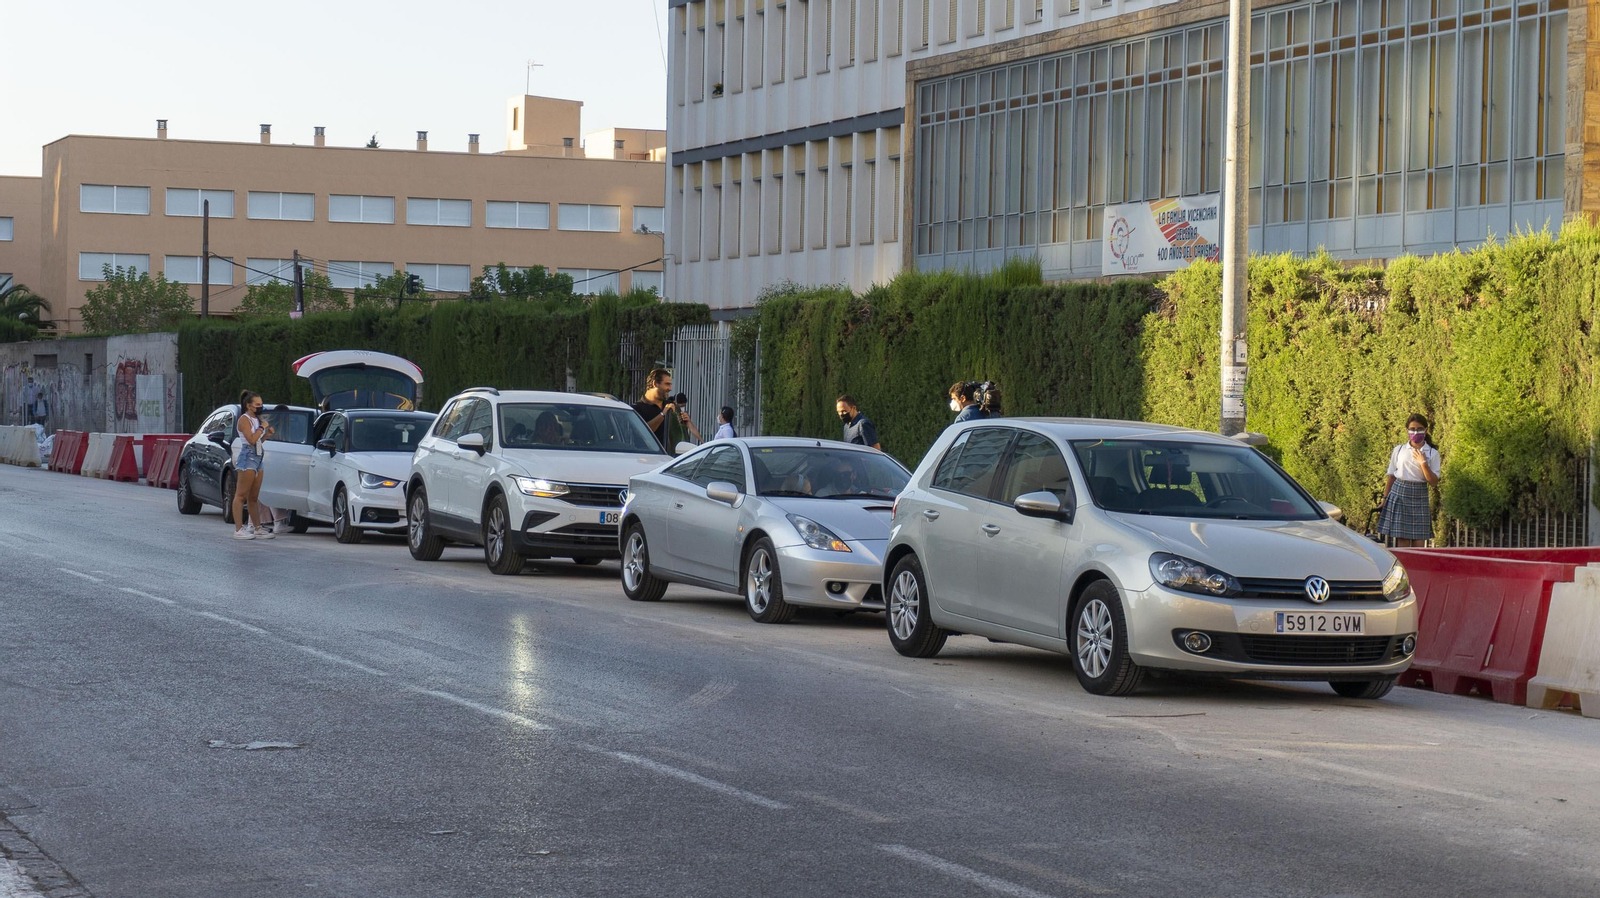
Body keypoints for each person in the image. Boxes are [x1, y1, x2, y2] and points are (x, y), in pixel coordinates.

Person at [1376, 413, 1442, 547]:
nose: (1415, 432)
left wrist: (1423, 463)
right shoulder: (1399, 450)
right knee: (1403, 540)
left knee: (1419, 542)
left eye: (1419, 429)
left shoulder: (1432, 453)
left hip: (1419, 495)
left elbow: (1433, 482)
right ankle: (1404, 568)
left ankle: (1418, 567)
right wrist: (1385, 499)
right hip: (1400, 493)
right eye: (1412, 429)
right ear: (1407, 430)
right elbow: (1391, 476)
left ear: (1426, 430)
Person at [231, 391, 275, 541]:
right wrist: (262, 428)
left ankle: (257, 528)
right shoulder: (244, 420)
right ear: (249, 406)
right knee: (241, 495)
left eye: (261, 404)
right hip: (247, 457)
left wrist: (266, 435)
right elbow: (250, 440)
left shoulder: (256, 419)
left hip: (258, 456)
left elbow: (257, 441)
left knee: (254, 497)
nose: (260, 407)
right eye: (257, 405)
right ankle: (238, 529)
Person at [633, 368, 701, 450]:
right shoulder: (637, 409)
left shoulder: (672, 405)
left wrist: (686, 422)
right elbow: (642, 433)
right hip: (648, 457)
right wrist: (662, 414)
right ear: (655, 383)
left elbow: (681, 435)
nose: (670, 388)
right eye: (667, 384)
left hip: (672, 458)